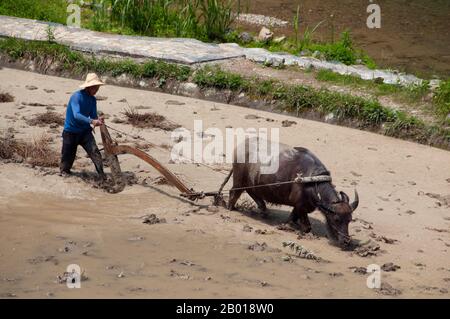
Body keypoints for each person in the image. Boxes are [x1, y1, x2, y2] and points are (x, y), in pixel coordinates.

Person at [60, 73, 106, 180]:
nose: (96, 90)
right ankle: (64, 173)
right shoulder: (76, 97)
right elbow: (76, 115)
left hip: (85, 132)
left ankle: (101, 175)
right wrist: (92, 121)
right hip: (71, 132)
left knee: (96, 153)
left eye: (97, 87)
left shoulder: (93, 100)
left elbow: (93, 115)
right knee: (67, 159)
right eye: (94, 87)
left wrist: (98, 120)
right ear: (88, 87)